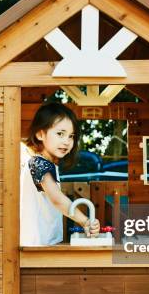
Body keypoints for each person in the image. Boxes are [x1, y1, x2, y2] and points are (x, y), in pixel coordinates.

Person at [20, 102, 101, 246]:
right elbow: (57, 199)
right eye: (60, 134)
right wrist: (85, 221)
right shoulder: (38, 163)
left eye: (71, 136)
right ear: (40, 134)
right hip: (35, 245)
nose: (67, 141)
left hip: (44, 243)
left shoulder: (48, 164)